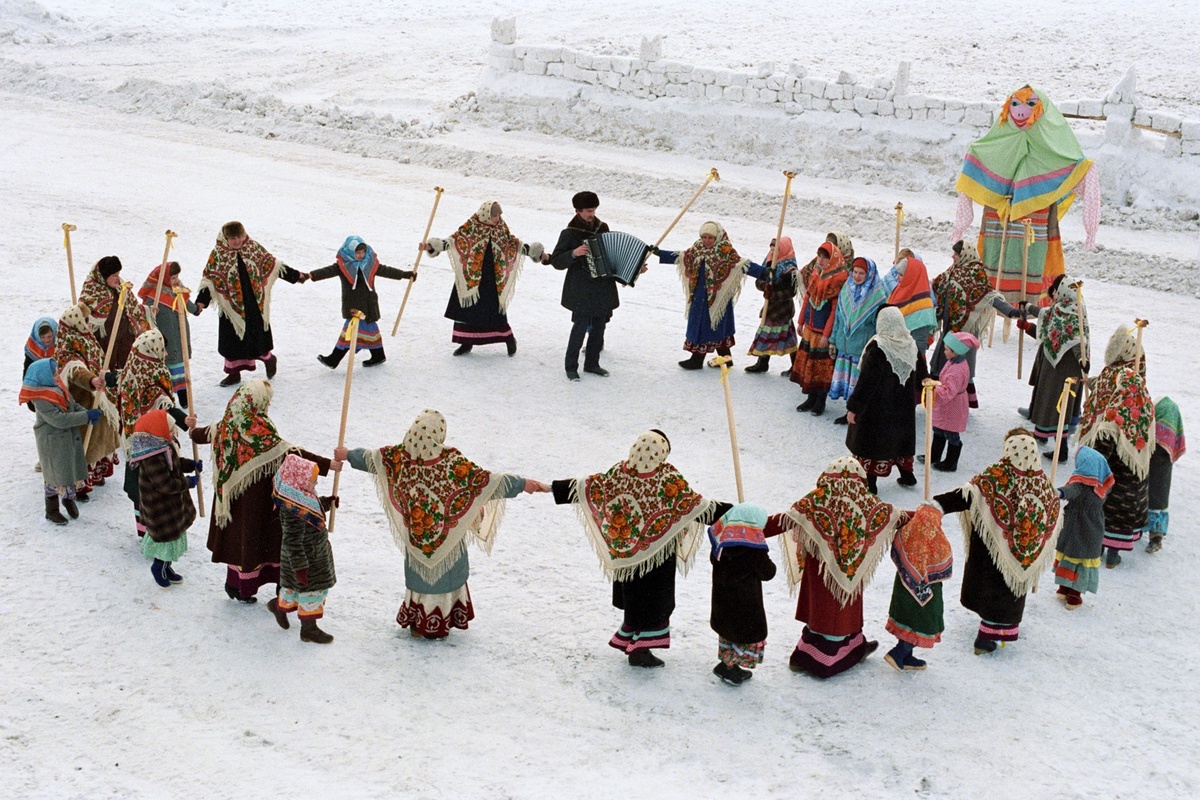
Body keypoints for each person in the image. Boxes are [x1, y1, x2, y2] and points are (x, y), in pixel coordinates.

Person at [337, 409, 548, 638]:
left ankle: (419, 621)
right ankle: (440, 621)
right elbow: (484, 482)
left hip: (417, 538)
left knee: (421, 579)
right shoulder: (451, 462)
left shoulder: (397, 457)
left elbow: (370, 459)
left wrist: (347, 454)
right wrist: (522, 484)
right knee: (446, 576)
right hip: (448, 537)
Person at [552, 430, 731, 667]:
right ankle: (641, 651)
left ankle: (634, 643)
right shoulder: (667, 478)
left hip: (629, 557)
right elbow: (695, 505)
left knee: (636, 601)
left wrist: (553, 488)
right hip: (656, 557)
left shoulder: (620, 472)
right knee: (654, 603)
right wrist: (734, 512)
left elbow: (592, 487)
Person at [189, 379, 340, 603]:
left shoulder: (227, 423)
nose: (268, 406)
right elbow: (290, 452)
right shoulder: (258, 429)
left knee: (240, 541)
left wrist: (192, 431)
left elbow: (203, 434)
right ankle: (280, 585)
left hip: (231, 501)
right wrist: (327, 465)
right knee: (266, 540)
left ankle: (236, 585)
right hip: (258, 502)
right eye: (266, 401)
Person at [767, 456, 904, 678]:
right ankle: (828, 661)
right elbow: (895, 516)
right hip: (848, 574)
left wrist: (748, 526)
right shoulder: (866, 502)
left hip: (819, 573)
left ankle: (803, 655)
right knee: (839, 615)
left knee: (819, 611)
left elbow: (784, 520)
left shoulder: (815, 501)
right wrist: (927, 514)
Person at [934, 429, 1061, 654]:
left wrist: (939, 505)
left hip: (990, 552)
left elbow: (968, 494)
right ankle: (989, 636)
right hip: (1018, 552)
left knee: (992, 589)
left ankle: (989, 637)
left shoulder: (997, 475)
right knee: (1007, 592)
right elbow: (1052, 507)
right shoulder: (1042, 483)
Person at [424, 202, 546, 358]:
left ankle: (508, 338)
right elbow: (454, 241)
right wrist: (432, 246)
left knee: (494, 311)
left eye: (499, 215)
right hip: (471, 277)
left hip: (492, 278)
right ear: (485, 214)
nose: (497, 219)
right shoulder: (472, 226)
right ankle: (466, 342)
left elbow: (512, 244)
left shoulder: (500, 228)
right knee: (467, 311)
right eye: (494, 215)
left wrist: (533, 252)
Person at [1076, 325, 1152, 568]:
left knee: (1107, 507)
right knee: (1120, 510)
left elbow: (1109, 424)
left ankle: (1103, 549)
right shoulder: (1135, 391)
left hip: (1114, 462)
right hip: (1130, 463)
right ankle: (1113, 553)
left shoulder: (1118, 389)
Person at [195, 221, 306, 387]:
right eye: (232, 238)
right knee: (231, 342)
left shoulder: (252, 247)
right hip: (231, 308)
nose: (237, 241)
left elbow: (272, 264)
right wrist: (201, 303)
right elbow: (210, 281)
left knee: (257, 337)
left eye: (239, 236)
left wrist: (296, 276)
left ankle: (269, 359)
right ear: (225, 238)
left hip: (253, 303)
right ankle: (233, 374)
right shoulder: (217, 255)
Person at [929, 240, 1024, 404]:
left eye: (956, 254)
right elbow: (935, 286)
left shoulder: (977, 274)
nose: (953, 257)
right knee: (941, 360)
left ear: (965, 255)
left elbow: (989, 296)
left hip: (967, 329)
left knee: (962, 364)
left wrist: (1010, 311)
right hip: (950, 328)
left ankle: (959, 401)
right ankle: (938, 398)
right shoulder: (951, 272)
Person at [845, 306, 928, 491]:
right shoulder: (910, 344)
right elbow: (921, 375)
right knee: (900, 441)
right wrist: (926, 385)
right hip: (903, 409)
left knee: (874, 443)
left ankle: (870, 483)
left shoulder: (878, 347)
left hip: (878, 410)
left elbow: (866, 383)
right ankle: (907, 475)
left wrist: (854, 408)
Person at [307, 236, 414, 369]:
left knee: (352, 332)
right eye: (358, 253)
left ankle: (335, 359)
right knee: (364, 331)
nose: (361, 255)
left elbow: (386, 270)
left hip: (368, 305)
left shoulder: (369, 264)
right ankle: (377, 355)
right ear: (350, 252)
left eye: (363, 252)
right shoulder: (344, 266)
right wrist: (311, 275)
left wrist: (404, 274)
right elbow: (327, 271)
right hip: (353, 306)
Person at [658, 222, 753, 371]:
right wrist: (659, 252)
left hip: (717, 298)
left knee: (714, 327)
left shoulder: (725, 251)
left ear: (718, 237)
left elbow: (742, 264)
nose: (706, 241)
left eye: (710, 238)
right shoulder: (697, 248)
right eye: (704, 237)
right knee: (706, 327)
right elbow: (683, 257)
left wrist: (764, 273)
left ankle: (699, 360)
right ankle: (721, 359)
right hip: (699, 296)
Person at [267, 454, 339, 643]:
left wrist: (326, 503)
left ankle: (277, 606)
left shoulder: (302, 496)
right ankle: (309, 630)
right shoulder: (292, 510)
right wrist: (300, 567)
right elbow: (292, 542)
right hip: (306, 560)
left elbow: (312, 510)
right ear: (298, 481)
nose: (315, 483)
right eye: (312, 479)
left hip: (313, 555)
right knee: (310, 593)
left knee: (292, 590)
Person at [1016, 274, 1089, 458]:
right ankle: (1041, 433)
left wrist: (1082, 359)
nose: (1054, 294)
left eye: (1056, 290)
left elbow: (1078, 341)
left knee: (1058, 405)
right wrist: (1027, 319)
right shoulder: (1059, 309)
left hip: (1065, 368)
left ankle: (1061, 449)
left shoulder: (1075, 314)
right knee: (1047, 399)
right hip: (1052, 366)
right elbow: (1047, 329)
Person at [21, 358, 101, 524]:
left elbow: (72, 405)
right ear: (44, 377)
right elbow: (59, 419)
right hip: (52, 443)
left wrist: (87, 412)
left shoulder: (58, 388)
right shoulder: (41, 398)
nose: (58, 376)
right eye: (54, 374)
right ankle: (52, 510)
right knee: (54, 476)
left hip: (67, 438)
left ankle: (68, 498)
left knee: (68, 470)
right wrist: (85, 417)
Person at [549, 191, 619, 380]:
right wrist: (574, 253)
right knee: (579, 328)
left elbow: (611, 257)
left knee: (599, 328)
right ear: (578, 211)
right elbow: (556, 261)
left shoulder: (603, 228)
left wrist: (633, 270)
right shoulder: (569, 233)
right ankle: (571, 367)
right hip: (581, 289)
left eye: (594, 210)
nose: (592, 214)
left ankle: (592, 364)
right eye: (588, 210)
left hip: (602, 288)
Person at [118, 329, 180, 537]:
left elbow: (116, 380)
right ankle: (153, 532)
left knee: (139, 489)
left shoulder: (132, 366)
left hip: (133, 441)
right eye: (162, 349)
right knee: (154, 489)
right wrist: (184, 421)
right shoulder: (155, 372)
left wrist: (105, 377)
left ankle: (142, 529)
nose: (165, 354)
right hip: (154, 443)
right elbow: (164, 405)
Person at [128, 408, 200, 587]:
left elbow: (173, 464)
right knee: (165, 541)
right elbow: (165, 484)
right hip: (160, 507)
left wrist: (190, 465)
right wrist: (187, 483)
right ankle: (159, 566)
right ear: (157, 430)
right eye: (169, 429)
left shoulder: (162, 445)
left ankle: (167, 566)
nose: (173, 432)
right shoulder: (151, 456)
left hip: (170, 505)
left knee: (173, 537)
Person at [55, 304, 121, 495]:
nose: (89, 324)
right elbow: (75, 370)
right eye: (85, 321)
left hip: (98, 398)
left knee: (100, 437)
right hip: (83, 401)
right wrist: (92, 380)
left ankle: (98, 473)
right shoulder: (68, 346)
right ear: (76, 323)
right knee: (87, 443)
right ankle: (80, 483)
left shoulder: (85, 338)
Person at [707, 503, 776, 685]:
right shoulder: (754, 550)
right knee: (741, 638)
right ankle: (729, 669)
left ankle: (726, 664)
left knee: (728, 635)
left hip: (723, 602)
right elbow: (768, 573)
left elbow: (713, 560)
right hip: (745, 607)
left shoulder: (722, 542)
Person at [884, 504, 952, 671]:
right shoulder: (936, 541)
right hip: (928, 593)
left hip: (904, 588)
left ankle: (906, 657)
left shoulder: (908, 532)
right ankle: (898, 653)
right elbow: (945, 561)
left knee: (907, 621)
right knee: (921, 622)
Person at [790, 241, 849, 415]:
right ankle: (810, 397)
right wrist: (801, 321)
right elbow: (808, 297)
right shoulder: (816, 273)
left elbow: (834, 311)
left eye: (825, 257)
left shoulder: (839, 279)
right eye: (819, 256)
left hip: (822, 332)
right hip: (810, 328)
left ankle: (820, 401)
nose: (821, 260)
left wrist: (826, 334)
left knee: (821, 367)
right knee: (809, 363)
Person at [1052, 445, 1114, 610]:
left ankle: (1073, 595)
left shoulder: (1081, 484)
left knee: (1072, 557)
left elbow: (1070, 491)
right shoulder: (1101, 485)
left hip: (1075, 528)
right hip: (1092, 528)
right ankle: (1067, 589)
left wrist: (1058, 493)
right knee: (1080, 559)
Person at [829, 256, 888, 422]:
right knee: (848, 382)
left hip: (862, 349)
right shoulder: (846, 289)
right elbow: (839, 318)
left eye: (861, 273)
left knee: (859, 384)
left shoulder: (877, 296)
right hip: (845, 346)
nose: (857, 276)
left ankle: (859, 414)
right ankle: (850, 413)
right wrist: (833, 340)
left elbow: (878, 326)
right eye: (855, 271)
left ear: (869, 274)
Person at [138, 261, 198, 407]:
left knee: (181, 368)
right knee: (169, 369)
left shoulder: (179, 290)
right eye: (172, 278)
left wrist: (197, 309)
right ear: (163, 279)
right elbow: (147, 318)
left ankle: (184, 397)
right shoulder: (155, 296)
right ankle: (167, 398)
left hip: (181, 335)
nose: (176, 280)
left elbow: (189, 305)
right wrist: (150, 313)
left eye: (177, 277)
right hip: (166, 340)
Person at [79, 255, 150, 371]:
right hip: (104, 342)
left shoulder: (121, 288)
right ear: (104, 276)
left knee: (127, 372)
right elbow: (81, 316)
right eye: (114, 275)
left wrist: (147, 310)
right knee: (107, 376)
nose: (118, 278)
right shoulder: (92, 290)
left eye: (118, 274)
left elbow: (133, 308)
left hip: (124, 340)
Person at [925, 331, 979, 473]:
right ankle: (934, 456)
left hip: (953, 406)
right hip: (947, 405)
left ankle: (950, 462)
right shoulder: (954, 362)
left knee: (951, 434)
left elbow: (949, 391)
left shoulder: (956, 370)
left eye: (947, 349)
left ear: (956, 352)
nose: (944, 352)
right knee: (939, 430)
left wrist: (933, 387)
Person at [744, 238, 799, 374]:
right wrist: (764, 286)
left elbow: (791, 291)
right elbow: (759, 280)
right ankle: (763, 362)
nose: (773, 252)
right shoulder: (769, 261)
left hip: (783, 309)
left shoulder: (790, 268)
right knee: (766, 333)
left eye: (777, 249)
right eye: (772, 249)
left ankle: (796, 366)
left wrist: (773, 292)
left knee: (787, 337)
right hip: (770, 308)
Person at [1146, 396, 1184, 553]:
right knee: (1160, 500)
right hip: (1163, 476)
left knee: (1150, 497)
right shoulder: (1169, 439)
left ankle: (1149, 532)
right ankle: (1156, 536)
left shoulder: (1153, 439)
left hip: (1151, 471)